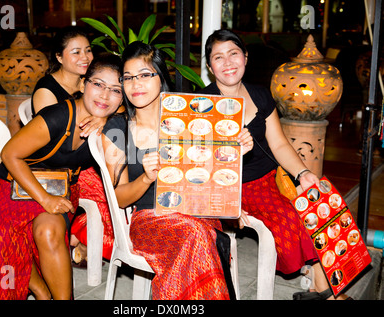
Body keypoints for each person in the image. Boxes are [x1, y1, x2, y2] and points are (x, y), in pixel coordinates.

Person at [199, 29, 350, 300]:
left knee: (321, 199)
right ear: (210, 66)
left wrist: (303, 173)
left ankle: (319, 286)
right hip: (235, 187)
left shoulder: (260, 95)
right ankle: (330, 294)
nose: (228, 62)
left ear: (245, 57)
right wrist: (226, 195)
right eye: (218, 57)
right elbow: (199, 165)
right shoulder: (203, 105)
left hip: (272, 178)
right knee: (290, 217)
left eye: (233, 53)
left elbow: (279, 144)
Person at [101, 41, 253, 300]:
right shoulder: (117, 129)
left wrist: (235, 152)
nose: (136, 84)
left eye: (145, 75)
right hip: (149, 220)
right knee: (197, 234)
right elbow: (117, 198)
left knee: (198, 232)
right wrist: (147, 179)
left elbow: (209, 174)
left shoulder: (190, 120)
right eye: (128, 78)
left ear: (161, 77)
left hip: (194, 211)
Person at [0, 54, 124, 300]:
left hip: (59, 186)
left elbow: (130, 111)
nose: (104, 95)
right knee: (2, 244)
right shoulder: (57, 116)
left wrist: (106, 116)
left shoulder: (110, 118)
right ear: (83, 85)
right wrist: (45, 199)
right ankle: (40, 290)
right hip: (13, 185)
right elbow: (10, 154)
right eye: (98, 84)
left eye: (115, 90)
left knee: (49, 230)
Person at [31, 26, 114, 266]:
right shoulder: (47, 91)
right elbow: (60, 145)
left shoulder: (88, 83)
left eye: (88, 51)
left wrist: (103, 117)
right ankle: (83, 235)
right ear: (59, 57)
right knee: (110, 189)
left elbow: (118, 105)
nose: (85, 57)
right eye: (76, 52)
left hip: (86, 159)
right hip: (58, 168)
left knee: (121, 175)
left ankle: (82, 238)